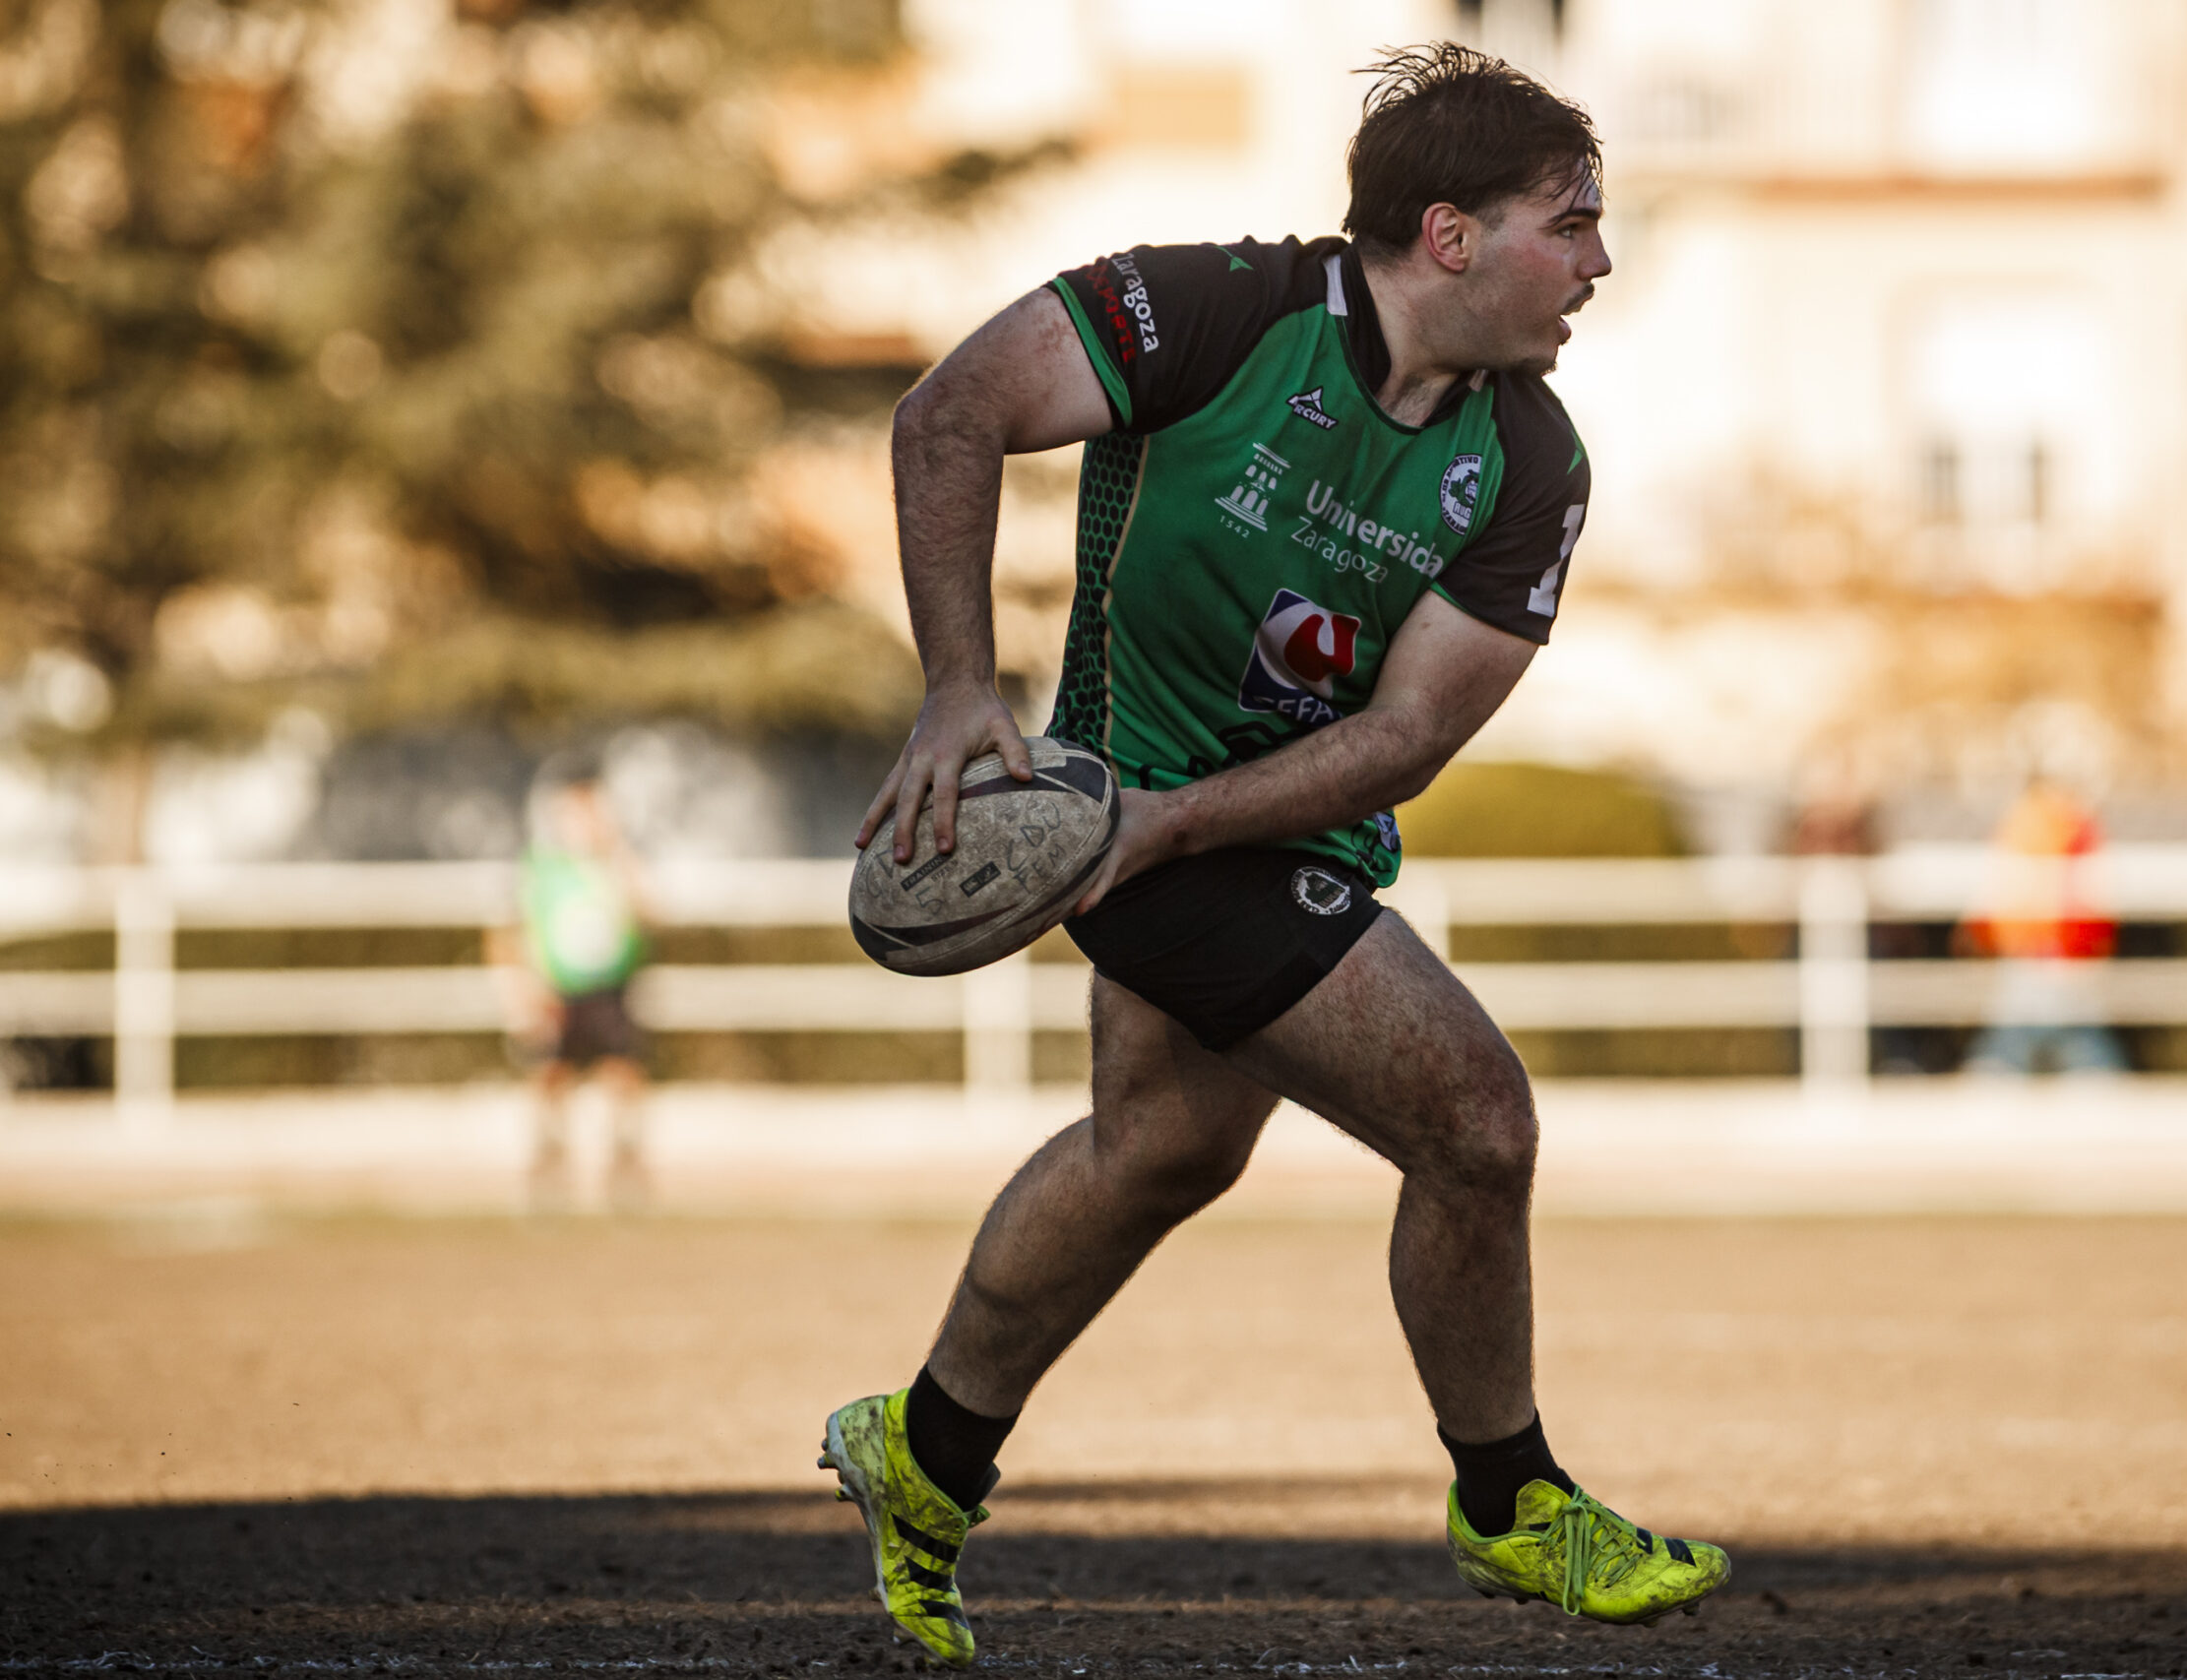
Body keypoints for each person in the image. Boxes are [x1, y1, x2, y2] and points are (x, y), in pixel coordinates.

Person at [817, 43, 1729, 1669]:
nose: (1600, 261)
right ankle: (1511, 1500)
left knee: (1160, 1150)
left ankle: (928, 1450)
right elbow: (949, 414)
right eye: (1572, 223)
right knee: (1476, 1120)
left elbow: (1408, 737)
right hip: (1121, 801)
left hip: (1226, 826)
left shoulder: (1530, 461)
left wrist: (1175, 827)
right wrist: (963, 689)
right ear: (1448, 236)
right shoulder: (1213, 313)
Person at [487, 771, 653, 1210]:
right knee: (550, 1078)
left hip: (609, 985)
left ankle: (625, 1171)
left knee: (622, 1074)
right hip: (555, 988)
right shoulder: (542, 868)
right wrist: (523, 989)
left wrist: (620, 860)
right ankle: (546, 1173)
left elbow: (649, 911)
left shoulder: (614, 863)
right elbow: (511, 928)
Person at [1961, 774, 2125, 1077]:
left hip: (2041, 963)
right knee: (2073, 1050)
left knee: (2018, 1049)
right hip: (2048, 963)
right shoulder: (2070, 826)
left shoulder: (2028, 825)